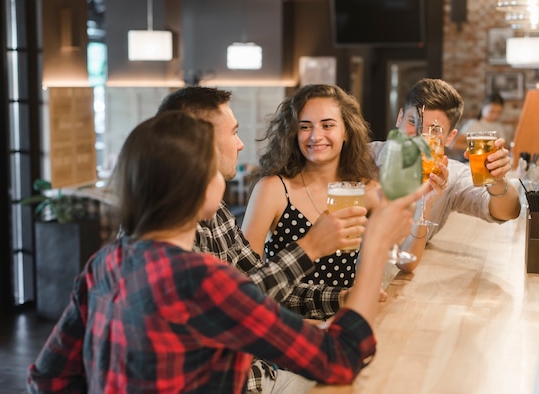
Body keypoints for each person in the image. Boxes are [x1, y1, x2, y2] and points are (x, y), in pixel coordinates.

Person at [26, 110, 427, 393]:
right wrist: (374, 247)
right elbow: (339, 357)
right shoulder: (202, 281)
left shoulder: (105, 262)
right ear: (202, 190)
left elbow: (48, 379)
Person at [156, 86, 370, 393]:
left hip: (256, 367)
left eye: (327, 125)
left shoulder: (216, 211)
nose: (241, 145)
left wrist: (339, 298)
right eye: (234, 133)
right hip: (237, 379)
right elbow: (230, 309)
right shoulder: (171, 234)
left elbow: (252, 284)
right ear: (198, 142)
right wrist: (309, 247)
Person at [370, 78, 521, 273]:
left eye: (434, 131)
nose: (419, 137)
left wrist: (497, 180)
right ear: (399, 117)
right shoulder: (365, 158)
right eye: (412, 122)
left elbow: (507, 211)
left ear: (450, 137)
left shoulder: (452, 175)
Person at [242, 84, 381, 289]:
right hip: (286, 316)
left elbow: (398, 259)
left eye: (327, 125)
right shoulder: (272, 189)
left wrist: (427, 199)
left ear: (347, 132)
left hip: (342, 314)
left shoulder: (368, 192)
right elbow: (243, 275)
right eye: (305, 126)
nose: (315, 136)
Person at [450, 91, 510, 157]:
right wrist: (478, 148)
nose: (495, 115)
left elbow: (505, 147)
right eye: (492, 111)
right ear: (483, 107)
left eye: (498, 112)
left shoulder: (498, 126)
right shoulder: (473, 124)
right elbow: (454, 144)